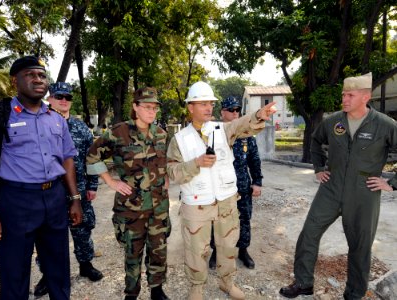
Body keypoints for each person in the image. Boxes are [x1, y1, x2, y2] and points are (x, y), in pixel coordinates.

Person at [279, 72, 397, 299]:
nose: (344, 99)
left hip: (364, 192)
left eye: (350, 95)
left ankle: (354, 293)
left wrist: (391, 184)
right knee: (309, 233)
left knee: (360, 246)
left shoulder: (384, 124)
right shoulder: (334, 122)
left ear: (365, 97)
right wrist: (318, 168)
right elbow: (315, 141)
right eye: (343, 94)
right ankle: (303, 282)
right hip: (331, 189)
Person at [0, 56, 82, 300]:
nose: (38, 80)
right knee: (14, 272)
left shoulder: (56, 118)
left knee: (58, 269)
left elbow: (67, 159)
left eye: (42, 75)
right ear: (15, 81)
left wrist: (74, 198)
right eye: (30, 75)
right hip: (16, 201)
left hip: (54, 198)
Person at [166, 81, 276, 300]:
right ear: (190, 107)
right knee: (196, 250)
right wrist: (196, 163)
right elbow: (172, 172)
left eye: (210, 103)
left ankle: (227, 283)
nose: (209, 108)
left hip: (226, 201)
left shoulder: (222, 129)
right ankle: (197, 288)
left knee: (227, 246)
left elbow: (244, 124)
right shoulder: (179, 139)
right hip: (196, 205)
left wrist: (259, 115)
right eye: (203, 103)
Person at [86, 87, 171, 300]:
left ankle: (157, 290)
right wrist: (110, 181)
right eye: (147, 107)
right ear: (135, 107)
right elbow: (91, 157)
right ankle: (131, 293)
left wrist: (166, 179)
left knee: (158, 250)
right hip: (131, 209)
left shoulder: (161, 134)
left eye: (155, 108)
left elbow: (164, 162)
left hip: (159, 207)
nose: (152, 112)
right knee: (133, 254)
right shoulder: (118, 133)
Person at [33, 82, 103, 297]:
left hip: (79, 190)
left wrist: (92, 186)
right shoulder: (39, 124)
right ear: (50, 98)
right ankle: (47, 274)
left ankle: (85, 264)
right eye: (59, 95)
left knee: (83, 230)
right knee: (47, 236)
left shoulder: (81, 127)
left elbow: (91, 158)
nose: (64, 100)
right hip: (49, 192)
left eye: (68, 97)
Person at [208, 96, 263, 270]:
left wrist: (257, 182)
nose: (234, 113)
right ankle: (216, 251)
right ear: (222, 112)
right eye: (230, 110)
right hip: (220, 187)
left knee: (244, 218)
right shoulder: (215, 134)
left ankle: (243, 251)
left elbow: (254, 160)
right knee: (217, 219)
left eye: (237, 110)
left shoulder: (246, 135)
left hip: (242, 185)